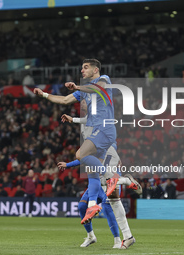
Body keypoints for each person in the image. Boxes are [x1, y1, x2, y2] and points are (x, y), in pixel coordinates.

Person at [34, 59, 121, 225]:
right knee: (93, 172)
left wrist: (77, 87)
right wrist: (44, 95)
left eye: (85, 67)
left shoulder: (104, 79)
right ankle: (94, 206)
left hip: (104, 128)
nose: (82, 70)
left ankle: (112, 177)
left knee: (81, 154)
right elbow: (65, 100)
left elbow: (98, 88)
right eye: (81, 68)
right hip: (99, 131)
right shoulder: (84, 91)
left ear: (95, 70)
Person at [58, 100, 139, 248]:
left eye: (85, 101)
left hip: (107, 161)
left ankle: (117, 238)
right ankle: (91, 235)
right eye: (81, 101)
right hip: (98, 167)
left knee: (110, 203)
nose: (82, 103)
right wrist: (68, 164)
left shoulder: (101, 118)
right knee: (83, 206)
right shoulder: (87, 124)